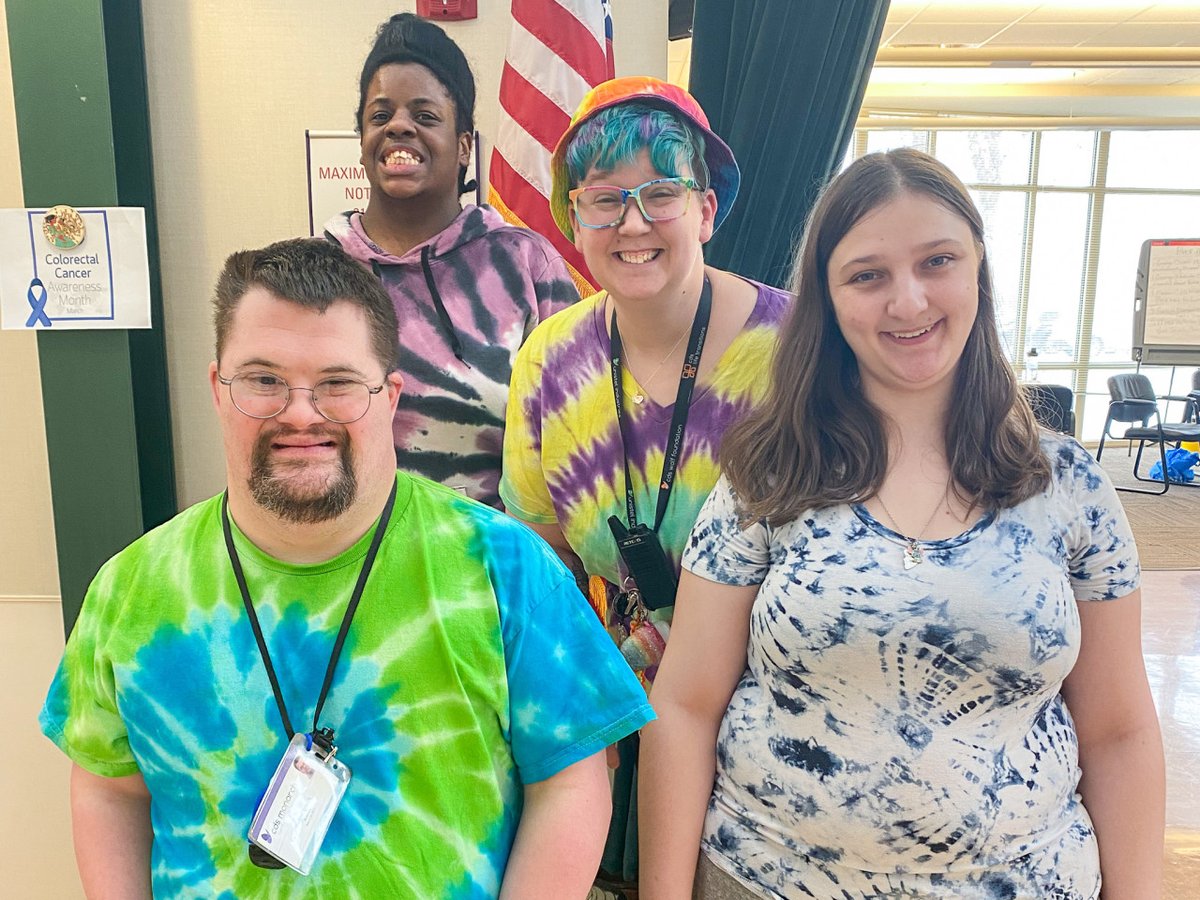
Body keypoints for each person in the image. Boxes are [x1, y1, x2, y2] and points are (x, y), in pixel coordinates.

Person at [40, 239, 653, 899]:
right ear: (218, 390)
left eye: (336, 382)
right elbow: (110, 791)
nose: (301, 411)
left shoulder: (505, 568)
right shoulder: (132, 590)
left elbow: (571, 783)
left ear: (390, 397)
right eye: (264, 380)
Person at [639, 148, 1165, 899]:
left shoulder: (1068, 485)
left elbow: (1120, 732)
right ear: (828, 298)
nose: (909, 301)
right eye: (868, 275)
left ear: (976, 270)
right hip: (767, 881)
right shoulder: (765, 474)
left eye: (937, 262)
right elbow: (686, 707)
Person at [501, 76, 791, 895]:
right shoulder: (549, 361)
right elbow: (541, 559)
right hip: (612, 701)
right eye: (604, 199)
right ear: (574, 220)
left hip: (763, 723)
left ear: (705, 209)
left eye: (660, 193)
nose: (632, 222)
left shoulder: (799, 349)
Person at [324, 13, 579, 508]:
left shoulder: (527, 266)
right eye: (380, 116)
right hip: (346, 564)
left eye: (425, 116)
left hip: (490, 564)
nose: (399, 126)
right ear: (361, 141)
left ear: (464, 146)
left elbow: (575, 436)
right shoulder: (316, 271)